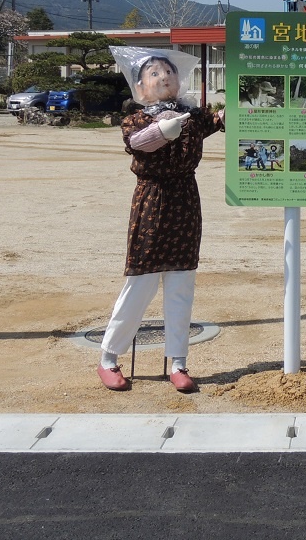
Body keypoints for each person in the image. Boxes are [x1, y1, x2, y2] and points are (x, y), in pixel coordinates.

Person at [96, 47, 225, 393]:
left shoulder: (193, 115)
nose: (164, 76)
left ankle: (178, 363)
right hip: (152, 202)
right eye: (153, 73)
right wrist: (165, 129)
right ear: (140, 88)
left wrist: (233, 112)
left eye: (168, 72)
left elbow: (219, 121)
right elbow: (138, 143)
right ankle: (108, 357)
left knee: (182, 286)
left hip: (185, 201)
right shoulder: (136, 119)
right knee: (141, 283)